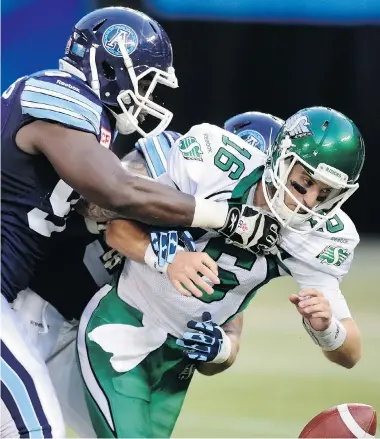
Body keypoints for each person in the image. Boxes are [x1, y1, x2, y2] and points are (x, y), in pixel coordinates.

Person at [77, 106, 364, 438]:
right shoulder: (211, 165)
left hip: (176, 365)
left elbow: (351, 352)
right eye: (303, 184)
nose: (308, 202)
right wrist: (167, 258)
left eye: (324, 194)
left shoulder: (317, 237)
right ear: (278, 160)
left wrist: (327, 329)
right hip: (122, 326)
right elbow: (113, 222)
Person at [8, 112, 283, 437]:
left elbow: (228, 320)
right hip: (42, 308)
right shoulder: (178, 159)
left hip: (104, 336)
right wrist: (164, 226)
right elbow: (104, 199)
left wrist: (222, 348)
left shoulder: (240, 234)